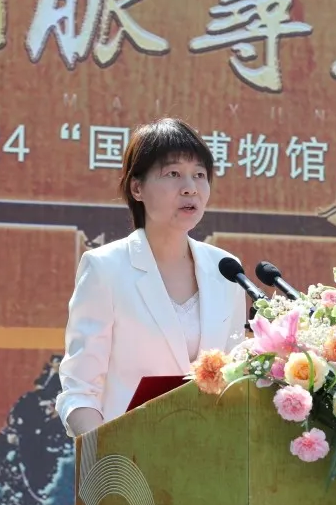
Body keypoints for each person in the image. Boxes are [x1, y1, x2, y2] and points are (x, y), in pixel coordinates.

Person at [54, 118, 248, 437]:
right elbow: (80, 391)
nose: (190, 187)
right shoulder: (105, 268)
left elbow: (234, 380)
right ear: (137, 188)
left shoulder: (225, 268)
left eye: (199, 175)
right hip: (127, 457)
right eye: (173, 174)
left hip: (209, 455)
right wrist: (104, 455)